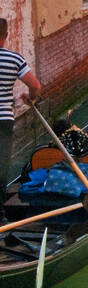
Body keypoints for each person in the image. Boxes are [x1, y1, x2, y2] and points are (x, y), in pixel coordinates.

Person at [0, 19, 41, 214]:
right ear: (6, 35)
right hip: (3, 120)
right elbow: (35, 86)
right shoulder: (14, 59)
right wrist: (30, 97)